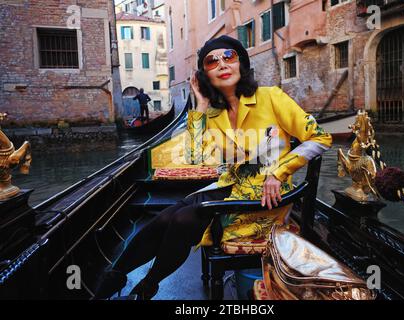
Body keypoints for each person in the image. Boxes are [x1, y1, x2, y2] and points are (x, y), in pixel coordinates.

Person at [93, 35, 332, 300]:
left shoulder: (271, 97)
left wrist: (279, 172)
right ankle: (115, 279)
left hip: (266, 200)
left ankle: (148, 283)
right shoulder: (214, 115)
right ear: (206, 75)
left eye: (228, 56)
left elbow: (320, 137)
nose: (221, 64)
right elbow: (195, 157)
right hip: (229, 190)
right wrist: (201, 104)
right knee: (166, 217)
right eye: (211, 61)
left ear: (241, 64)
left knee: (183, 219)